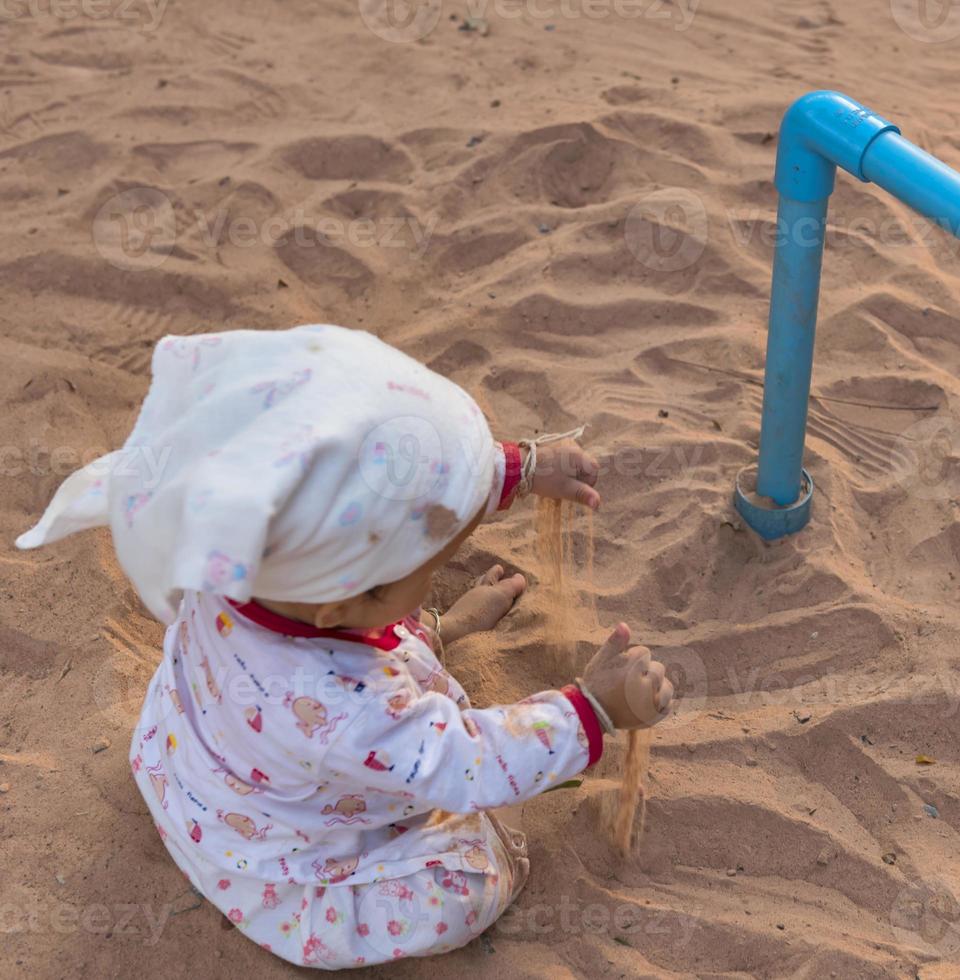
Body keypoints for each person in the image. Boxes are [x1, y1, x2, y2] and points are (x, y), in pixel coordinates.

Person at [15, 324, 674, 968]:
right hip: (285, 864)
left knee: (367, 668)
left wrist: (517, 468)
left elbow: (381, 472)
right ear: (341, 602)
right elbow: (465, 762)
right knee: (463, 890)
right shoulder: (343, 705)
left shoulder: (235, 547)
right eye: (427, 569)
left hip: (196, 768)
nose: (440, 565)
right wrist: (592, 709)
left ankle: (428, 637)